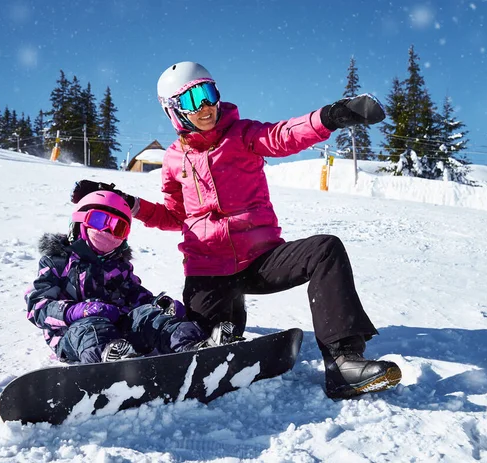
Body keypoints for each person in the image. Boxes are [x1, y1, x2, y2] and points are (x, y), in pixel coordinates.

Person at [71, 61, 401, 398]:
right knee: (205, 342)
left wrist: (330, 116)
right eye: (191, 99)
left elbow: (283, 135)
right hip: (208, 272)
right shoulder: (173, 160)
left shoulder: (242, 135)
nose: (205, 106)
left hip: (262, 260)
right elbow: (174, 216)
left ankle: (343, 360)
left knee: (324, 250)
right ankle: (222, 320)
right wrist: (127, 202)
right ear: (173, 110)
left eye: (208, 93)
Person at [25, 189, 234, 364]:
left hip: (122, 330)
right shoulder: (56, 263)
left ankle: (194, 347)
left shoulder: (119, 267)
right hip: (72, 334)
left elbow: (135, 296)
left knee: (152, 318)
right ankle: (110, 361)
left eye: (118, 227)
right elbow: (37, 307)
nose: (107, 230)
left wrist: (159, 306)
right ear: (79, 222)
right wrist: (73, 312)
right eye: (99, 220)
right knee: (90, 326)